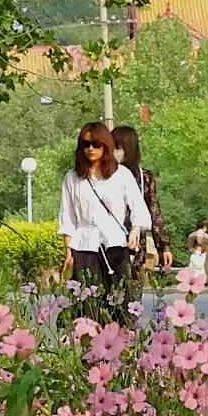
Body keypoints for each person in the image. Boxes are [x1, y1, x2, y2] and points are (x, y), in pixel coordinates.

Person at [58, 121, 150, 324]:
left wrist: (134, 232)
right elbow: (67, 217)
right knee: (87, 303)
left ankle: (121, 347)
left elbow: (138, 207)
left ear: (106, 146)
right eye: (86, 144)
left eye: (96, 144)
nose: (90, 149)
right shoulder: (72, 178)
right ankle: (88, 348)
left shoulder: (121, 175)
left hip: (115, 244)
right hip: (84, 246)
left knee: (119, 303)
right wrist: (68, 251)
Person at [111, 125, 172, 297]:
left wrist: (164, 246)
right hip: (107, 242)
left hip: (135, 244)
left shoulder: (144, 177)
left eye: (119, 147)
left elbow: (154, 212)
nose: (115, 152)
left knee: (131, 297)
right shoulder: (104, 175)